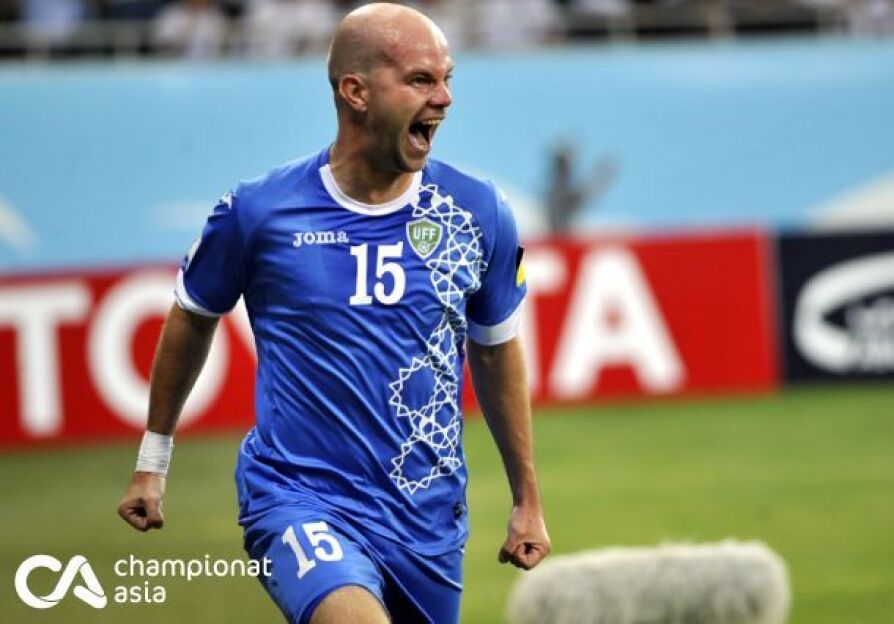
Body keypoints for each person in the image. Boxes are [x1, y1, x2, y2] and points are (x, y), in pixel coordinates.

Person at [117, 3, 550, 623]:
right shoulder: (259, 212)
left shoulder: (476, 212)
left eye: (447, 78)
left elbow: (495, 346)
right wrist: (152, 462)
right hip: (296, 499)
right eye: (421, 79)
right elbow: (192, 313)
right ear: (356, 92)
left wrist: (526, 498)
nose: (445, 98)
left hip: (426, 521)